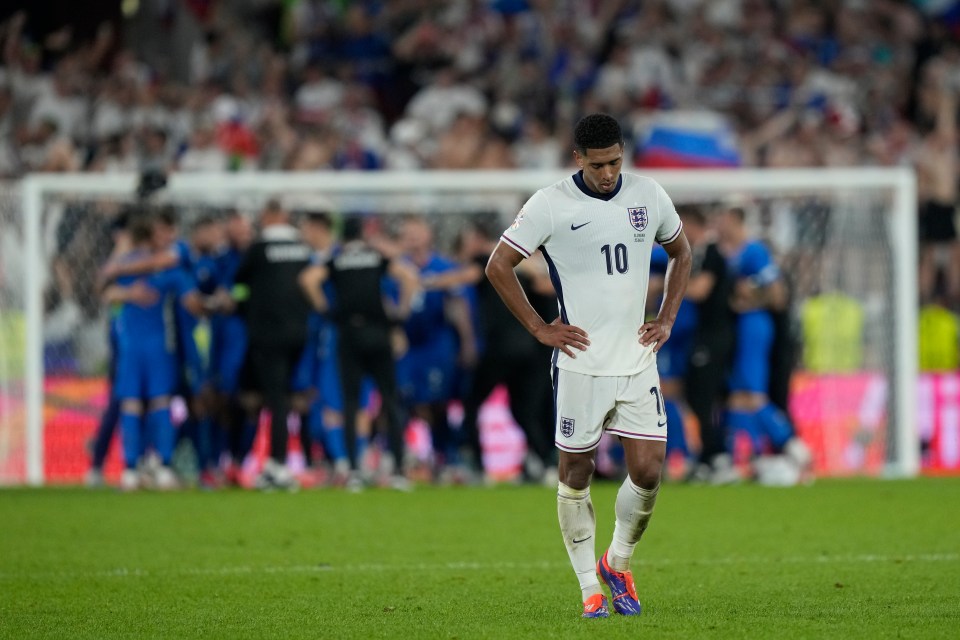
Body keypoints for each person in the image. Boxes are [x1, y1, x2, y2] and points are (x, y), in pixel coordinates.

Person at [485, 113, 691, 618]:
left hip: (637, 359)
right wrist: (540, 328)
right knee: (575, 472)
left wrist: (665, 318)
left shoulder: (649, 195)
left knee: (648, 470)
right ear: (578, 158)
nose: (608, 173)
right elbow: (497, 265)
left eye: (616, 162)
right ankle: (588, 590)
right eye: (598, 165)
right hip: (580, 362)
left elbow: (682, 254)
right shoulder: (551, 204)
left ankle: (617, 563)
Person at [299, 215, 420, 491]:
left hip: (349, 335)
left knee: (351, 403)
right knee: (390, 401)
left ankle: (354, 470)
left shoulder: (337, 259)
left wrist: (326, 310)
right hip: (379, 334)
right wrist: (399, 315)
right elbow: (409, 277)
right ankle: (399, 471)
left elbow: (308, 280)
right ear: (364, 234)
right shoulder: (376, 257)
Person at [102, 214, 202, 491]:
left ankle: (131, 470)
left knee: (132, 405)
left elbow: (105, 292)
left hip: (130, 346)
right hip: (158, 345)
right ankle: (162, 466)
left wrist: (125, 294)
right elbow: (193, 302)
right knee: (159, 404)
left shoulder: (123, 268)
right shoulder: (169, 270)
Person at [714, 206, 810, 485]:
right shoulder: (730, 253)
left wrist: (747, 302)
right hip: (741, 331)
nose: (718, 225)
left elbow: (778, 296)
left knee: (751, 396)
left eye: (722, 219)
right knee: (738, 395)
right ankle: (752, 457)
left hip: (755, 327)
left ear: (734, 220)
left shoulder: (754, 251)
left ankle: (794, 446)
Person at [233, 199, 313, 490]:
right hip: (298, 333)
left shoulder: (259, 249)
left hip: (267, 334)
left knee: (274, 398)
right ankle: (287, 461)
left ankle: (276, 464)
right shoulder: (303, 249)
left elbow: (238, 284)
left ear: (270, 216)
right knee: (286, 397)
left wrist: (243, 308)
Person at [678, 206, 737, 482]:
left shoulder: (711, 253)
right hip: (706, 335)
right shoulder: (701, 253)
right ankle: (707, 456)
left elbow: (701, 291)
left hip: (715, 335)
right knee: (697, 393)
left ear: (691, 223)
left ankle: (717, 456)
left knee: (703, 394)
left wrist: (667, 287)